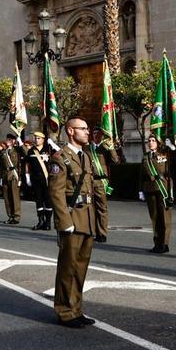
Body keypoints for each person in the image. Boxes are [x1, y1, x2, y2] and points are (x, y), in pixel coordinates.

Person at [47, 117, 106, 327]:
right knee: (67, 268)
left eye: (87, 128)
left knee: (81, 268)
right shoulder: (60, 158)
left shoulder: (86, 157)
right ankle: (64, 311)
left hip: (87, 219)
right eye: (83, 129)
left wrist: (99, 222)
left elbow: (93, 191)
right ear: (71, 131)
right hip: (72, 219)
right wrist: (64, 221)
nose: (88, 132)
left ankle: (76, 308)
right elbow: (56, 193)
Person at [140, 134, 176, 254]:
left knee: (165, 217)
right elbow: (142, 175)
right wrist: (140, 190)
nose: (150, 142)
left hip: (163, 188)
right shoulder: (145, 156)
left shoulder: (165, 153)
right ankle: (157, 243)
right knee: (155, 218)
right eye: (149, 141)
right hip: (150, 189)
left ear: (158, 142)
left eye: (153, 140)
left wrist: (172, 147)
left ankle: (164, 244)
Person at [86, 127, 120, 243]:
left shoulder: (105, 148)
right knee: (91, 208)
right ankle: (94, 232)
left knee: (102, 208)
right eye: (94, 133)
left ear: (102, 135)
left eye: (98, 133)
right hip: (90, 181)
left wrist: (111, 148)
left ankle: (102, 234)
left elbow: (116, 161)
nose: (95, 135)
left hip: (101, 182)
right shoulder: (87, 148)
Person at [26, 131, 54, 230]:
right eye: (35, 138)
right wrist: (27, 176)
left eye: (39, 138)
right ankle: (40, 221)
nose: (36, 140)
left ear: (43, 139)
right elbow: (27, 164)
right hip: (36, 178)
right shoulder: (31, 151)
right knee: (38, 200)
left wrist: (53, 145)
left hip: (47, 179)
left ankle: (48, 222)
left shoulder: (48, 149)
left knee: (48, 201)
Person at [0, 134, 23, 225]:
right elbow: (1, 166)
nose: (8, 141)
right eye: (7, 139)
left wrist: (20, 142)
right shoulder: (4, 152)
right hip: (5, 175)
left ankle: (16, 216)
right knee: (7, 197)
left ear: (14, 141)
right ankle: (10, 215)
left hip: (14, 175)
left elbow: (25, 152)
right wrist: (1, 178)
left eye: (10, 139)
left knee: (14, 197)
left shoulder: (17, 150)